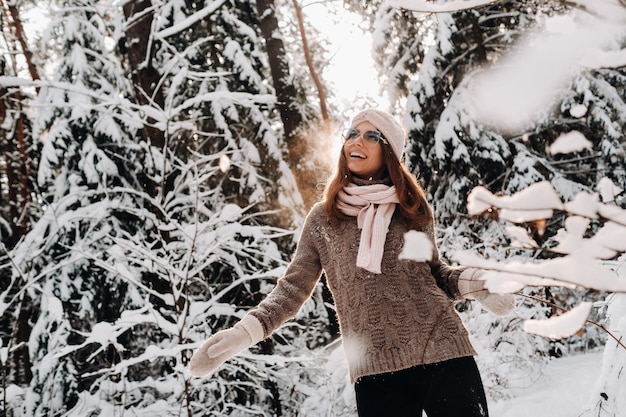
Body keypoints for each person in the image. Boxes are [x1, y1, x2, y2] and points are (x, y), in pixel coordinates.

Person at [189, 108, 516, 416]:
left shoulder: (411, 208)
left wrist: (476, 283)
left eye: (371, 136)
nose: (356, 141)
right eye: (351, 133)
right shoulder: (323, 219)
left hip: (445, 353)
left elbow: (435, 273)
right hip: (375, 373)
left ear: (389, 152)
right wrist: (242, 335)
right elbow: (291, 290)